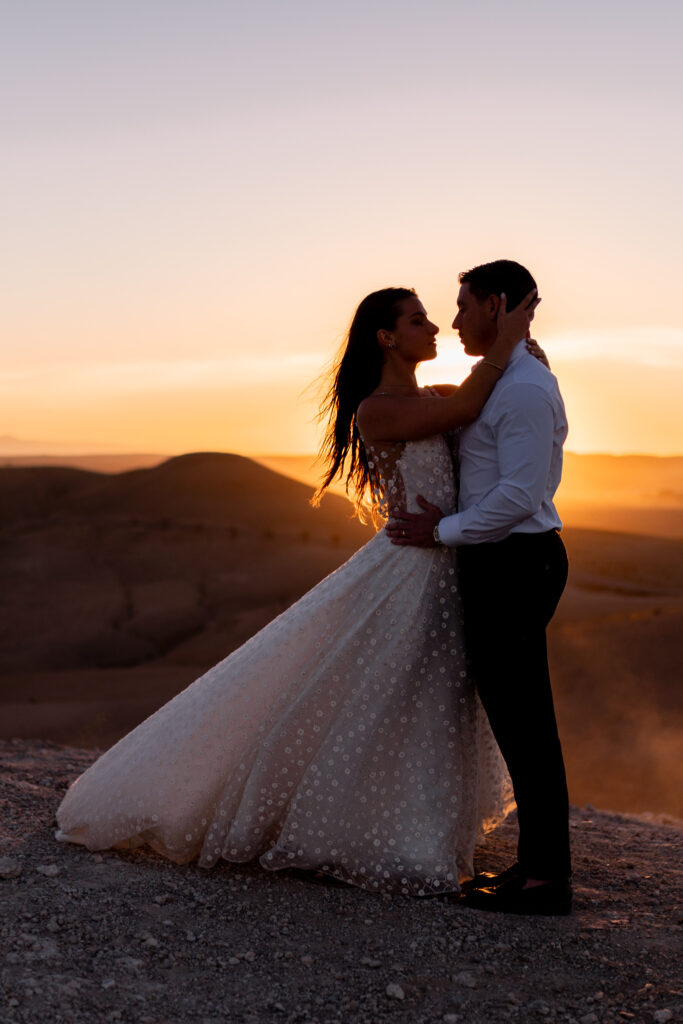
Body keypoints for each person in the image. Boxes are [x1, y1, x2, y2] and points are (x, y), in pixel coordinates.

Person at [55, 284, 538, 897]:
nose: (434, 326)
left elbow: (482, 402)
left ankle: (417, 826)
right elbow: (469, 406)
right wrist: (508, 341)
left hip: (445, 566)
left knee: (426, 697)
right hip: (411, 571)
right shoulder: (379, 409)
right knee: (385, 692)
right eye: (418, 320)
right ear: (386, 337)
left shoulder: (432, 395)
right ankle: (370, 832)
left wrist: (526, 353)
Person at [386, 260, 572, 916]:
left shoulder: (520, 387)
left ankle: (547, 881)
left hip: (515, 562)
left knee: (526, 726)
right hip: (500, 562)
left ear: (495, 304)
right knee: (519, 723)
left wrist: (444, 531)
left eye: (463, 306)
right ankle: (535, 867)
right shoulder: (502, 375)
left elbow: (520, 496)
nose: (455, 319)